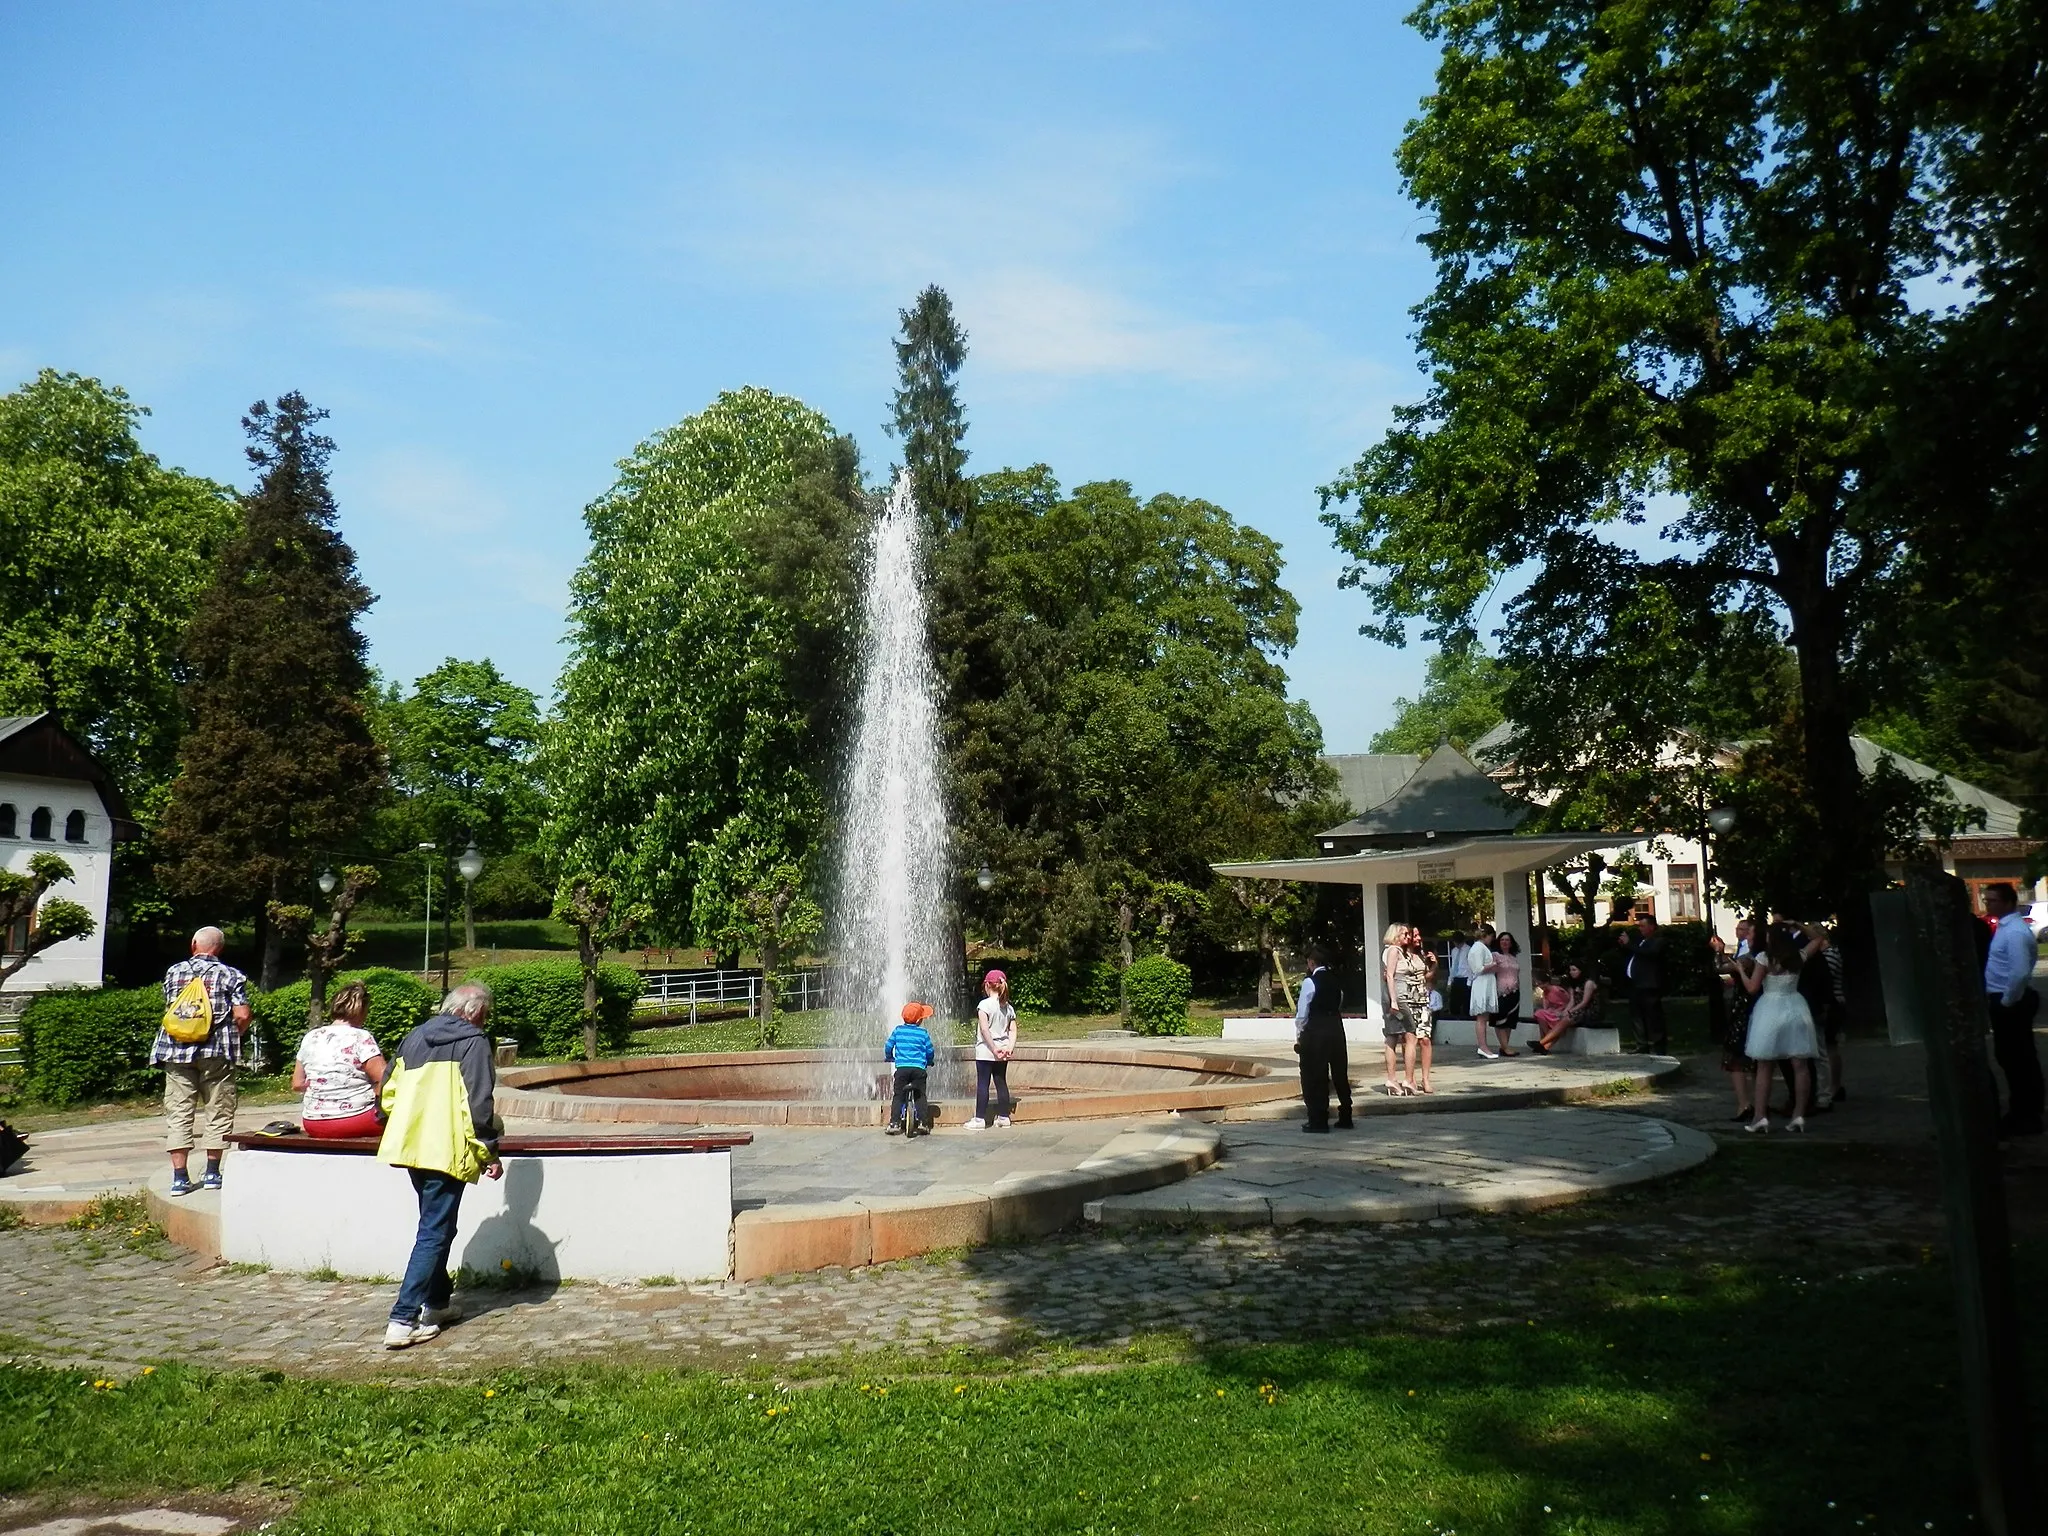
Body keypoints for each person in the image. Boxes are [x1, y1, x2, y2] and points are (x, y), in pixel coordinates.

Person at [376, 982, 503, 1349]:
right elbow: (479, 1103)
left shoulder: (414, 1037)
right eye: (486, 1013)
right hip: (447, 1147)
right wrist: (489, 1151)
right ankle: (402, 1318)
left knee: (438, 1225)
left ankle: (437, 1303)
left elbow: (388, 1093)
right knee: (434, 1230)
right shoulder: (475, 1042)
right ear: (476, 1012)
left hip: (413, 1145)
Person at [152, 927, 253, 1197]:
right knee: (218, 1109)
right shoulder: (232, 975)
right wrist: (234, 1032)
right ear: (219, 949)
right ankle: (211, 1173)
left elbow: (171, 1007)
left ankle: (179, 1178)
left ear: (193, 943)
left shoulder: (174, 972)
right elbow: (242, 1014)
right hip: (216, 1052)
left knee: (179, 1112)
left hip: (176, 1050)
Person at [1740, 931, 1820, 1133]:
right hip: (1795, 1006)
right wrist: (1798, 925)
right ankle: (1799, 1115)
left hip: (1770, 1009)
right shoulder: (1798, 956)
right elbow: (1819, 937)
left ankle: (1760, 1117)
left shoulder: (1764, 958)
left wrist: (1740, 970)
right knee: (1800, 1064)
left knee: (1765, 1065)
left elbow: (1752, 987)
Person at [1983, 883, 2043, 1137]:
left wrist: (2007, 1001)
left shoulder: (2015, 932)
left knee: (2019, 1059)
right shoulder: (2005, 928)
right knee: (2012, 1058)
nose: (1989, 905)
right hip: (2005, 999)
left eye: (1994, 900)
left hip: (2012, 1001)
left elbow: (2018, 972)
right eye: (1987, 900)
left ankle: (2027, 1115)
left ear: (2008, 902)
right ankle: (2022, 1111)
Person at [294, 982, 387, 1139]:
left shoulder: (311, 1037)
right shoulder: (361, 1037)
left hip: (313, 1122)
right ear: (362, 1009)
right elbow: (384, 1079)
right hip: (355, 1119)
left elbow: (297, 1084)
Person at [1295, 946, 1353, 1130]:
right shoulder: (1336, 981)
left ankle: (1318, 1118)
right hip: (1336, 1027)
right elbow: (1339, 1001)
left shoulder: (1310, 982)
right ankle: (1346, 1115)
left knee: (1315, 1074)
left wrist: (1300, 1033)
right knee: (1339, 1072)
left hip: (1316, 1029)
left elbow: (1303, 1011)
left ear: (1312, 962)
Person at [1711, 931, 1756, 1121]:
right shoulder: (1764, 956)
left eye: (1749, 933)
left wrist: (1717, 951)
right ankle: (1756, 1102)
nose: (1744, 936)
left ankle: (1746, 1103)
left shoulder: (1751, 959)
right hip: (1754, 1007)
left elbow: (1720, 968)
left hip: (1745, 1009)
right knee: (1756, 1059)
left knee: (1739, 1057)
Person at [965, 969, 1016, 1131]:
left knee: (983, 1084)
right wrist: (1009, 1048)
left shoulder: (984, 1005)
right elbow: (1013, 1030)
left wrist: (993, 1048)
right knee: (1001, 1083)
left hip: (986, 1051)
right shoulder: (1008, 1007)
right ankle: (1004, 1117)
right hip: (1003, 1051)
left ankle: (979, 1118)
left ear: (987, 985)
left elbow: (985, 1029)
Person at [883, 1001, 937, 1138]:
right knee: (920, 1095)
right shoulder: (923, 1033)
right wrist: (930, 1060)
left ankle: (894, 1123)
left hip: (902, 1069)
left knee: (898, 1096)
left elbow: (888, 1046)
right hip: (919, 1070)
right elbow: (930, 1050)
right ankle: (923, 1123)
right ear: (919, 1020)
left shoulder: (898, 1031)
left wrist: (890, 1057)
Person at [1624, 914, 1668, 1054]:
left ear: (1651, 927)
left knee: (1653, 1017)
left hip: (1650, 985)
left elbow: (1649, 954)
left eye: (1643, 926)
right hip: (1636, 984)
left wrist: (1629, 944)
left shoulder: (1658, 941)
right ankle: (1641, 1044)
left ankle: (1659, 1047)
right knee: (1636, 1015)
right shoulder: (1641, 941)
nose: (1640, 929)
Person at [1466, 924, 1500, 1058]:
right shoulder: (1478, 948)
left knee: (1484, 1017)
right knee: (1481, 1018)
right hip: (1482, 983)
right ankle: (1483, 1046)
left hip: (1485, 982)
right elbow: (1478, 969)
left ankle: (1484, 1046)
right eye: (1491, 937)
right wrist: (1493, 964)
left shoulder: (1481, 947)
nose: (1491, 940)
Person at [1489, 931, 1523, 1057]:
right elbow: (1490, 971)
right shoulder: (1495, 955)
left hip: (1515, 991)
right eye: (1502, 940)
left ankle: (1504, 1046)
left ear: (1511, 943)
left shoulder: (1514, 957)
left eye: (1507, 940)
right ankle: (1506, 1047)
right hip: (1500, 992)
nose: (1505, 942)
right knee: (1500, 1020)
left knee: (1510, 1020)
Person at [1445, 929, 1472, 1024]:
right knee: (1454, 1004)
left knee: (1466, 1004)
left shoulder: (1469, 950)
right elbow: (1453, 967)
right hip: (1456, 979)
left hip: (1465, 979)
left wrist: (1469, 982)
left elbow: (1470, 967)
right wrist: (1450, 981)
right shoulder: (1454, 951)